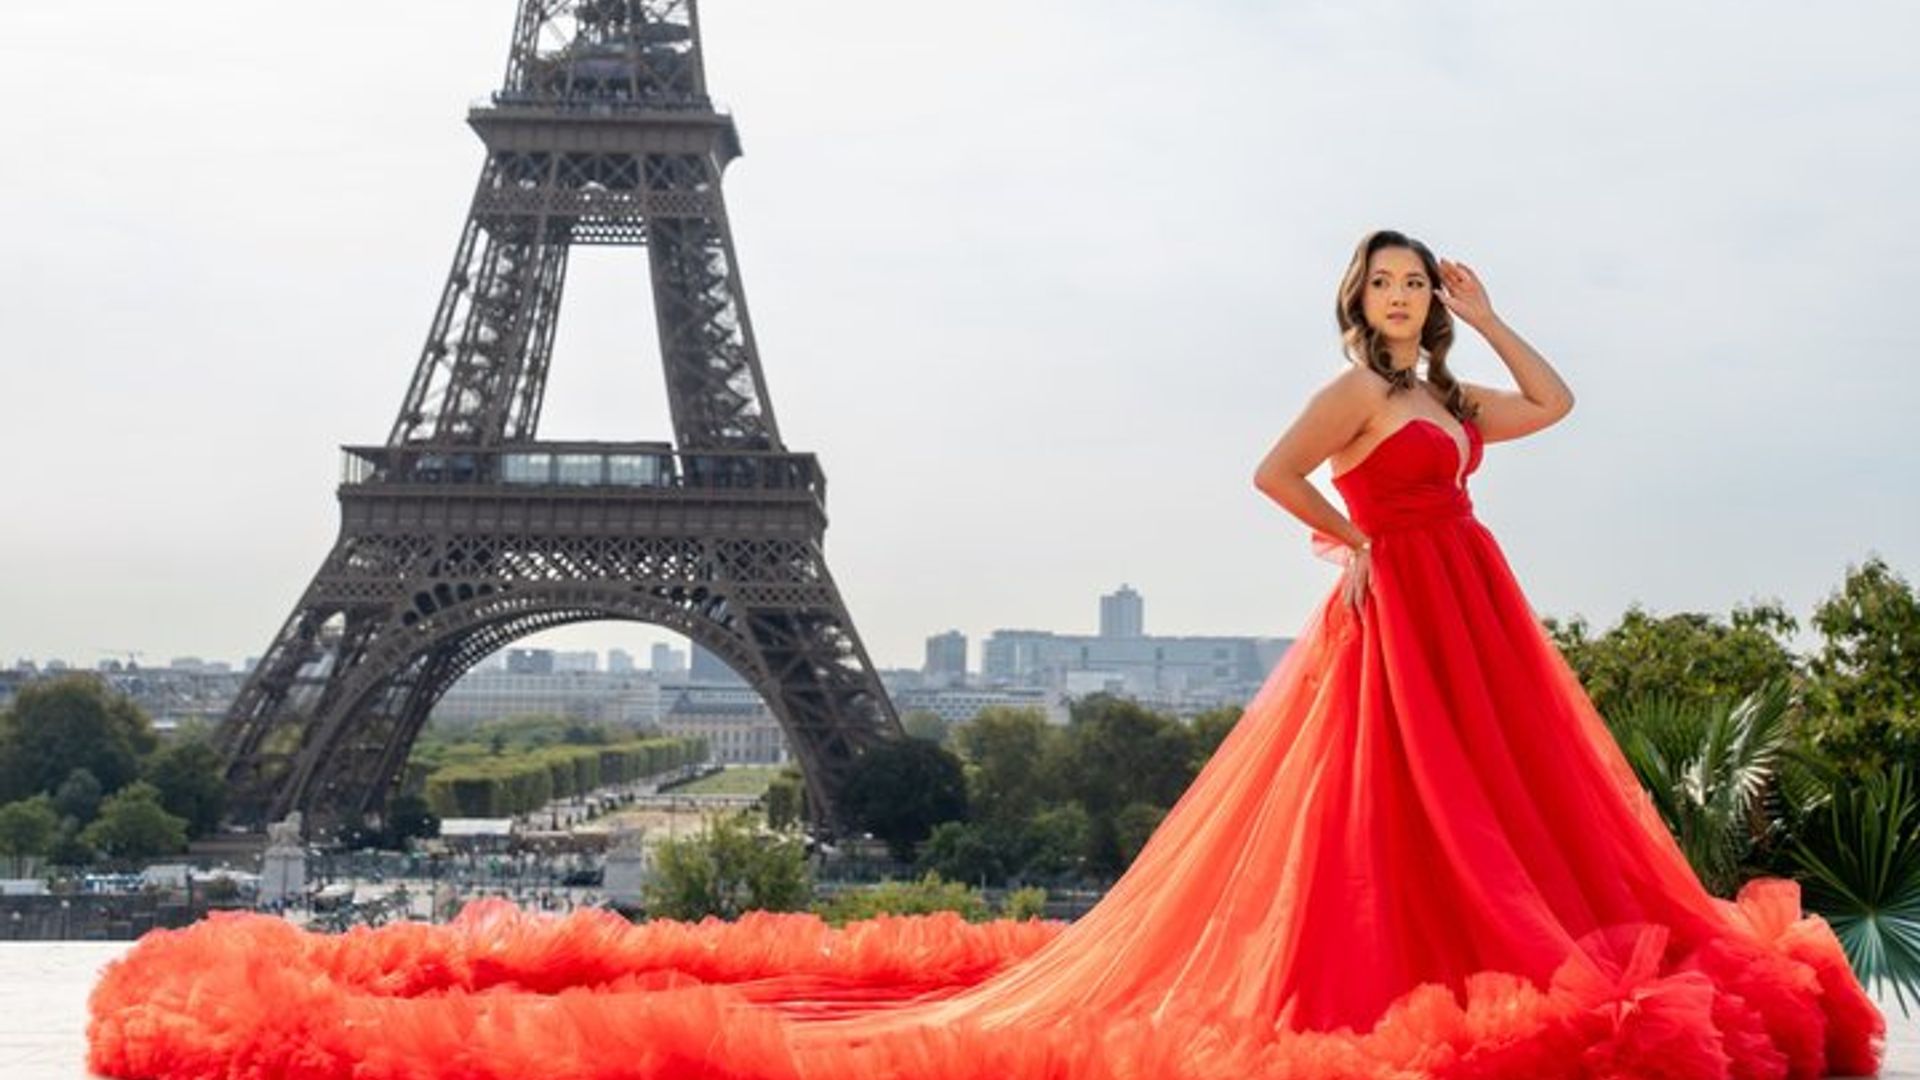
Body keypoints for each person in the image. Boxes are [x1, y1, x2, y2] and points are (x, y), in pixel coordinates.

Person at [89, 230, 1886, 1080]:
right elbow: (1273, 473)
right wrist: (1344, 543)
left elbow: (1558, 407)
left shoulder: (1446, 383)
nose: (1410, 301)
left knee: (1482, 808)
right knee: (1389, 814)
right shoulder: (1352, 392)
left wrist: (1492, 314)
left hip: (1470, 606)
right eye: (1397, 286)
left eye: (1422, 283)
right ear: (1358, 306)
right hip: (1401, 601)